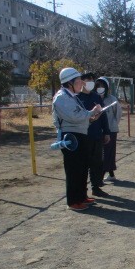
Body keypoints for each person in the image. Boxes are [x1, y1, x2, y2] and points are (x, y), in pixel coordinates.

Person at [52, 67, 102, 211]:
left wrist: (91, 118)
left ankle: (81, 196)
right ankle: (73, 201)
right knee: (74, 169)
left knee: (82, 167)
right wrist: (91, 113)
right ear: (70, 83)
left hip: (80, 134)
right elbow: (74, 116)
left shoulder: (72, 96)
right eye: (79, 81)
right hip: (70, 136)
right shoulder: (61, 97)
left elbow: (81, 116)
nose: (82, 83)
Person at [77, 72, 111, 197]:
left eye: (92, 81)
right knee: (83, 164)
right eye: (88, 81)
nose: (90, 83)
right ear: (82, 82)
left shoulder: (96, 97)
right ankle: (82, 190)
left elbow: (103, 115)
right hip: (83, 136)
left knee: (97, 162)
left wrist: (106, 132)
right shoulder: (77, 98)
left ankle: (96, 187)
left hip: (97, 135)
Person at [97, 77, 122, 183]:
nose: (100, 88)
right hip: (98, 131)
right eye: (98, 86)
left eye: (102, 86)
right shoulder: (94, 98)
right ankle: (111, 174)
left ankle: (101, 176)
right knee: (102, 154)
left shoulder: (112, 99)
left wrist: (113, 124)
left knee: (108, 153)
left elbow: (118, 113)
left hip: (111, 130)